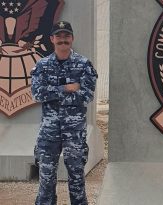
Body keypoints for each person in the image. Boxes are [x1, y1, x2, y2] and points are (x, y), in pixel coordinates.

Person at [31, 21, 97, 205]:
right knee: (46, 179)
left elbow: (86, 95)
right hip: (48, 133)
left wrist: (53, 92)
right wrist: (67, 88)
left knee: (76, 178)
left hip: (74, 133)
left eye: (66, 36)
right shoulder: (42, 66)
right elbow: (37, 94)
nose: (63, 39)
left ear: (72, 38)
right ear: (52, 39)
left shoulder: (84, 65)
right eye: (59, 36)